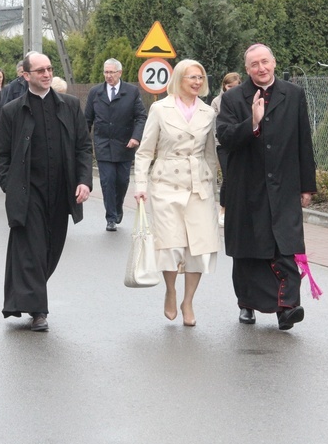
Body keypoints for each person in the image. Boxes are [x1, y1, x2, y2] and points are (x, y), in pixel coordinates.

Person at [216, 43, 316, 331]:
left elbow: (303, 141)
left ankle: (287, 308)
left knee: (285, 246)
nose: (261, 68)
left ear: (274, 62)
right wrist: (253, 123)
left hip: (284, 185)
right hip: (247, 187)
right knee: (249, 250)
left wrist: (307, 185)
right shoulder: (234, 98)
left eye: (265, 62)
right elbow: (225, 137)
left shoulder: (293, 94)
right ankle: (247, 304)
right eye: (254, 65)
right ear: (247, 69)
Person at [0, 52, 92, 332]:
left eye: (49, 69)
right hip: (29, 192)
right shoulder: (13, 110)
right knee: (33, 249)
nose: (47, 74)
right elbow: (0, 154)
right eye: (40, 71)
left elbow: (83, 147)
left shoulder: (70, 106)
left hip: (62, 190)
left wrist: (84, 181)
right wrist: (8, 184)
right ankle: (39, 311)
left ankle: (27, 294)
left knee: (52, 249)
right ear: (26, 76)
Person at [133, 59, 219, 327]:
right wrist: (140, 185)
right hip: (166, 184)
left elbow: (210, 154)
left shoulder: (208, 112)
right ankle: (171, 290)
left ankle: (188, 301)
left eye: (200, 77)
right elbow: (146, 150)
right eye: (192, 77)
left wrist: (215, 190)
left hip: (199, 186)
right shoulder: (160, 109)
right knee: (170, 245)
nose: (197, 82)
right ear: (179, 79)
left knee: (200, 248)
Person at [85, 58, 147, 232]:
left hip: (125, 144)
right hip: (103, 144)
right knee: (107, 181)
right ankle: (110, 217)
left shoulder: (132, 91)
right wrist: (84, 142)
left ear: (120, 73)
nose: (108, 76)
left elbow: (141, 117)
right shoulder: (95, 92)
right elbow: (87, 120)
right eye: (106, 72)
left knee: (122, 181)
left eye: (112, 72)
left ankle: (118, 207)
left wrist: (136, 137)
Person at [210, 72, 242, 227]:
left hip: (239, 143)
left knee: (241, 177)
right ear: (224, 86)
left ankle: (238, 211)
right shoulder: (217, 101)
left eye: (235, 87)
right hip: (222, 144)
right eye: (229, 87)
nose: (232, 90)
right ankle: (223, 209)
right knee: (228, 177)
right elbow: (215, 123)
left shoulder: (244, 99)